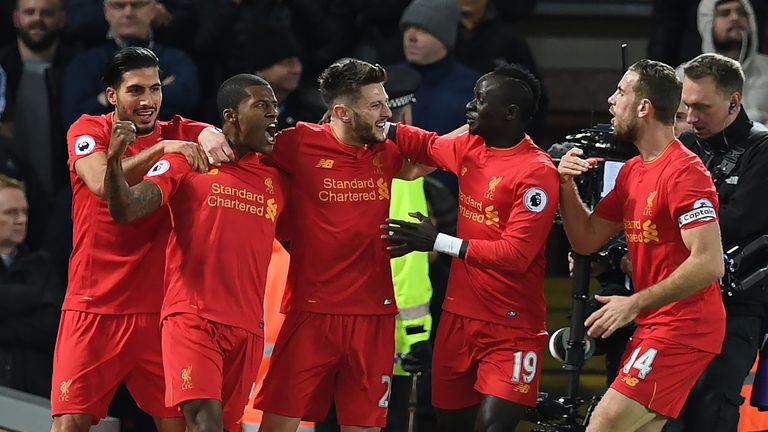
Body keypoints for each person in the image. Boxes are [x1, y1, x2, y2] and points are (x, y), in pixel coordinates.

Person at [238, 58, 430, 432]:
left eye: (386, 102)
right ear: (341, 111)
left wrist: (483, 133)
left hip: (375, 315)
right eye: (375, 105)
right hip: (312, 313)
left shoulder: (385, 153)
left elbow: (434, 156)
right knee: (278, 424)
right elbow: (237, 142)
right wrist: (198, 136)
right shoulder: (297, 143)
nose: (387, 113)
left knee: (365, 426)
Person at [50, 46, 223, 432]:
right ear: (112, 95)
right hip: (94, 306)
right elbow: (99, 183)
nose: (148, 101)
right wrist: (161, 149)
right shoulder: (89, 129)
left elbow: (221, 136)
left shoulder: (180, 130)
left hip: (160, 314)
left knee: (178, 425)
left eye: (155, 89)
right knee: (69, 425)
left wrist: (211, 133)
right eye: (135, 91)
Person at [103, 73, 285, 432]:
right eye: (261, 106)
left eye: (275, 107)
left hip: (248, 328)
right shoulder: (189, 162)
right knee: (205, 424)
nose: (273, 115)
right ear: (231, 115)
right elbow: (126, 209)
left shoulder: (277, 180)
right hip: (193, 319)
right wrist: (113, 161)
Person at [382, 63, 559, 431]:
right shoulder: (472, 146)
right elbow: (427, 145)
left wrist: (436, 241)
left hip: (512, 327)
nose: (469, 107)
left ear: (510, 113)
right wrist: (379, 125)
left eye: (480, 100)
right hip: (458, 320)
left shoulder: (536, 171)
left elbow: (515, 255)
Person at [556, 59, 726, 432]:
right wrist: (564, 185)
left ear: (643, 107)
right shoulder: (634, 170)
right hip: (656, 324)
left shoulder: (686, 172)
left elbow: (710, 263)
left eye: (620, 92)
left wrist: (633, 303)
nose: (610, 101)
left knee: (603, 424)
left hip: (685, 327)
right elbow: (585, 238)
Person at [314, 63, 434, 432]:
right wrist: (416, 334)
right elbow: (404, 262)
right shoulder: (391, 167)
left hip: (343, 324)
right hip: (384, 332)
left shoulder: (324, 159)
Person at [662, 53, 768, 432]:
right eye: (686, 106)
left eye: (702, 107)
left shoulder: (763, 150)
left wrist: (671, 228)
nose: (691, 118)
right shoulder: (686, 145)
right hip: (678, 301)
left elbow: (739, 220)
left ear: (735, 102)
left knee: (711, 410)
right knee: (669, 414)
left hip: (735, 307)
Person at [0, 0, 76, 251]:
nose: (37, 19)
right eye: (29, 12)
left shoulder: (79, 66)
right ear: (16, 18)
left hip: (66, 191)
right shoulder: (3, 66)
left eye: (46, 13)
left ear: (61, 19)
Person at [61, 0, 199, 128]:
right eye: (119, 6)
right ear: (106, 11)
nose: (128, 13)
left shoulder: (178, 59)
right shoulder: (84, 64)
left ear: (153, 9)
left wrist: (107, 100)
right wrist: (160, 92)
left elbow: (188, 101)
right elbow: (75, 117)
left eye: (137, 5)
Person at [0, 174, 64, 398]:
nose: (21, 220)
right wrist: (33, 298)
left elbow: (53, 327)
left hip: (33, 396)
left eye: (24, 212)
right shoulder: (40, 279)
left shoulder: (42, 266)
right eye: (11, 213)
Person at [695, 0, 768, 124]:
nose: (735, 18)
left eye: (741, 13)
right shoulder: (686, 78)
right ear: (708, 22)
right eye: (724, 13)